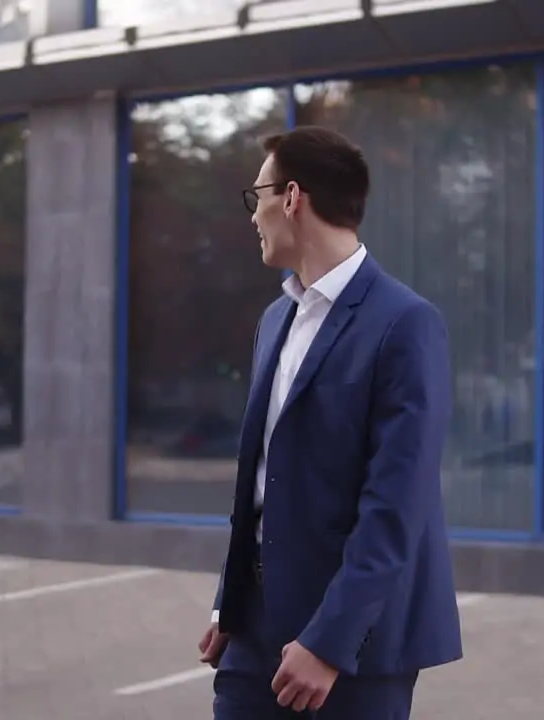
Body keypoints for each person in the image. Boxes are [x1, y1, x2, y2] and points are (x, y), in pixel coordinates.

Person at [197, 126, 463, 719]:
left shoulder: (405, 323)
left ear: (291, 198)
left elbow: (396, 505)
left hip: (357, 645)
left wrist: (329, 642)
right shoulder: (275, 320)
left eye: (257, 196)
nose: (254, 216)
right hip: (254, 636)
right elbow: (261, 480)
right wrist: (229, 604)